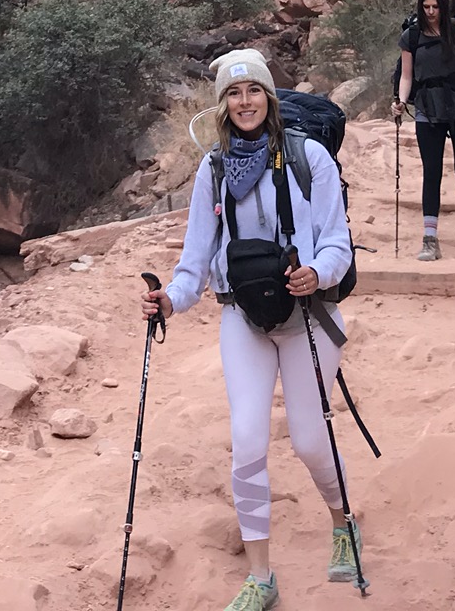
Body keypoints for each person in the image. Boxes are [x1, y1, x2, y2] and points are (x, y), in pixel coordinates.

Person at [141, 48, 358, 610]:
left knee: (309, 439)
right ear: (222, 105)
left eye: (253, 90)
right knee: (247, 442)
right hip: (242, 316)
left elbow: (337, 242)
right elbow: (194, 262)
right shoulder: (213, 170)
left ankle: (342, 522)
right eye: (233, 94)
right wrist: (170, 301)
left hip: (308, 316)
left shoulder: (309, 158)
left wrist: (318, 273)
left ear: (269, 96)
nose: (244, 102)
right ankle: (261, 576)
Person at [391, 0, 455, 259]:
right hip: (427, 109)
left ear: (443, 6)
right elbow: (406, 76)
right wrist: (400, 101)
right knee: (431, 171)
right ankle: (430, 238)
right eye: (426, 7)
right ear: (420, 7)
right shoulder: (411, 37)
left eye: (435, 6)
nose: (431, 12)